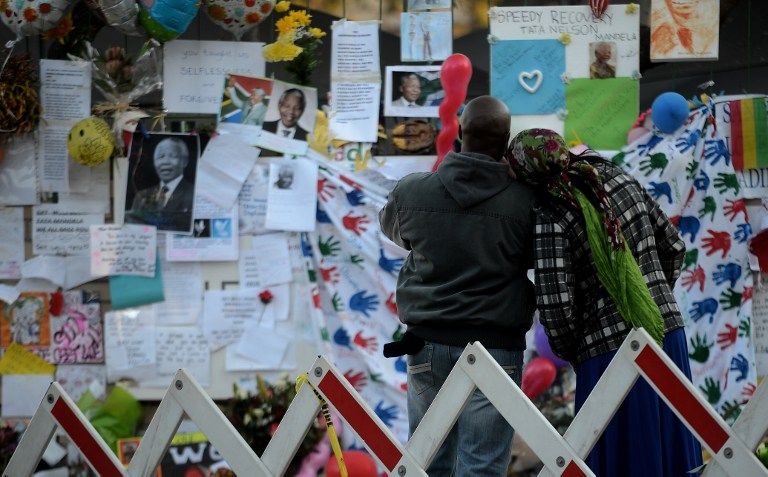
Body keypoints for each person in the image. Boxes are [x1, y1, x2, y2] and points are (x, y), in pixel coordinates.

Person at [505, 129, 702, 476]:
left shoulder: (551, 212)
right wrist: (651, 298)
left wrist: (576, 349)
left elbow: (556, 309)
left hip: (606, 353)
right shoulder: (616, 177)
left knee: (623, 461)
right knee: (675, 456)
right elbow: (672, 246)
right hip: (668, 334)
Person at [379, 96, 536, 476]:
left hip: (426, 345)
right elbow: (534, 256)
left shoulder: (412, 191)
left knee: (429, 462)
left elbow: (393, 232)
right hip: (496, 347)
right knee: (481, 466)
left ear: (460, 132)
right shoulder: (526, 202)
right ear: (506, 141)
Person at [127, 137, 195, 232]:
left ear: (185, 161)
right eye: (161, 157)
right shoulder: (141, 196)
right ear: (154, 162)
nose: (165, 162)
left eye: (173, 156)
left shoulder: (194, 194)